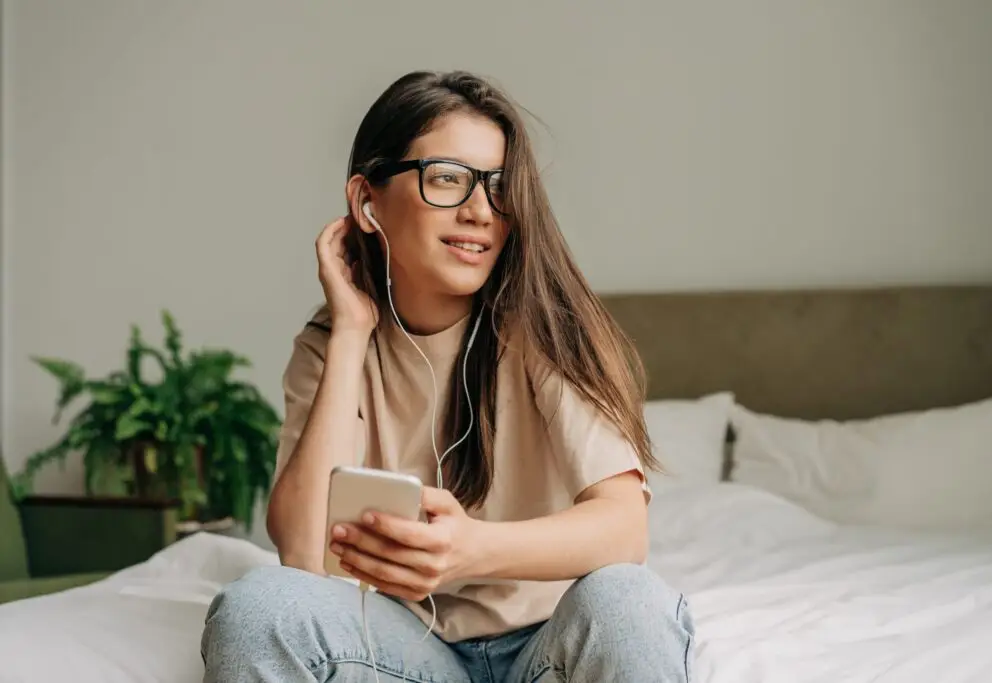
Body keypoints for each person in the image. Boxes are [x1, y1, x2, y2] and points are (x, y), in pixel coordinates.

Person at [201, 70, 694, 682]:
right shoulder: (330, 347)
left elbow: (625, 530)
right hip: (406, 651)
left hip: (545, 652)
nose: (480, 211)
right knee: (255, 609)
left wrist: (469, 551)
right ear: (367, 201)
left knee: (629, 604)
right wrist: (352, 331)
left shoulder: (546, 328)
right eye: (447, 179)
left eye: (498, 187)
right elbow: (302, 554)